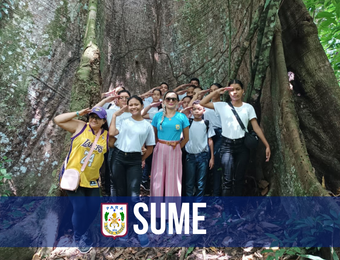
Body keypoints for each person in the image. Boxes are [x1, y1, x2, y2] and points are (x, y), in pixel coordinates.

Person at [200, 79, 271, 199]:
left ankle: (236, 209)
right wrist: (217, 91)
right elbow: (203, 102)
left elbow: (256, 128)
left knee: (239, 179)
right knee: (227, 180)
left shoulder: (248, 107)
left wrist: (267, 145)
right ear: (228, 92)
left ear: (243, 91)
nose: (235, 92)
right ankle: (227, 212)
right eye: (231, 90)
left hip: (242, 146)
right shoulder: (222, 106)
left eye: (237, 89)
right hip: (226, 146)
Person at [54, 107, 109, 254]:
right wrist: (80, 113)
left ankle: (82, 230)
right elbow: (57, 120)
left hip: (92, 179)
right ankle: (79, 237)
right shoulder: (80, 127)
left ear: (104, 121)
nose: (93, 119)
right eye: (91, 116)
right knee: (80, 208)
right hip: (73, 177)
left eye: (97, 118)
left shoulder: (106, 136)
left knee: (94, 208)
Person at [109, 95, 155, 246]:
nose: (134, 107)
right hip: (118, 158)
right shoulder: (123, 121)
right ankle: (122, 228)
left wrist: (141, 159)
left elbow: (150, 147)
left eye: (136, 104)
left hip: (135, 160)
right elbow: (112, 134)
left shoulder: (147, 126)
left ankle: (141, 228)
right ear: (127, 107)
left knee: (134, 196)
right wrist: (115, 115)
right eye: (131, 105)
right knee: (121, 194)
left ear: (142, 105)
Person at [150, 91, 190, 197]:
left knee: (173, 178)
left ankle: (172, 209)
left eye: (173, 99)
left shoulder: (182, 117)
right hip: (160, 148)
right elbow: (153, 135)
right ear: (163, 101)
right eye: (168, 99)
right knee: (158, 178)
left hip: (175, 149)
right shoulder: (157, 116)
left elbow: (186, 138)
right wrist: (160, 144)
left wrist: (177, 147)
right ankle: (157, 209)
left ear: (177, 101)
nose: (171, 101)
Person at [94, 90, 132, 195]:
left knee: (129, 180)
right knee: (114, 180)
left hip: (131, 149)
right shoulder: (111, 112)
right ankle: (116, 207)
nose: (124, 100)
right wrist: (107, 99)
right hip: (115, 149)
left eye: (127, 97)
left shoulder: (134, 114)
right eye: (121, 97)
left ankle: (129, 207)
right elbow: (94, 110)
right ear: (117, 100)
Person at [185, 101, 215, 201]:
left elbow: (210, 140)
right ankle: (188, 207)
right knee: (189, 182)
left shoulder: (206, 123)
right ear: (191, 110)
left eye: (199, 109)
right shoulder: (188, 123)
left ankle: (198, 206)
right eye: (194, 109)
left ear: (204, 110)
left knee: (201, 183)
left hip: (203, 156)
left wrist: (212, 157)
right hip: (190, 156)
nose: (196, 111)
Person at [203, 83, 223, 196]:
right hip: (206, 133)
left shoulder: (224, 105)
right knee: (205, 162)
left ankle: (216, 194)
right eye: (211, 90)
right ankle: (205, 192)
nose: (214, 92)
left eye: (216, 90)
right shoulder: (205, 105)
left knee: (215, 162)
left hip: (219, 134)